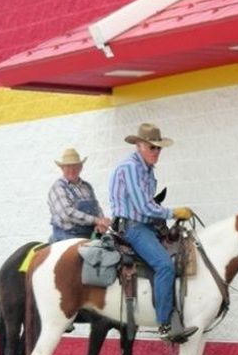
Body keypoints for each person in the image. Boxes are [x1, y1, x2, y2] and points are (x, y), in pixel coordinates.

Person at [109, 123, 198, 343]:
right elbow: (143, 207)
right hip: (132, 227)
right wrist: (173, 211)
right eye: (152, 147)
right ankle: (164, 324)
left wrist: (165, 219)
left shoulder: (147, 169)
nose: (156, 152)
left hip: (146, 225)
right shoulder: (130, 168)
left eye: (159, 148)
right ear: (139, 145)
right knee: (164, 265)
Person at [48, 148, 111, 243]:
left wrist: (101, 223)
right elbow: (67, 214)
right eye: (68, 166)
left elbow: (97, 208)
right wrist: (97, 220)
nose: (72, 169)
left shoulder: (87, 186)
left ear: (81, 167)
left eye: (75, 166)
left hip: (89, 235)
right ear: (62, 168)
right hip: (67, 236)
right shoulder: (58, 187)